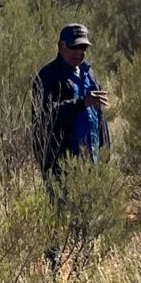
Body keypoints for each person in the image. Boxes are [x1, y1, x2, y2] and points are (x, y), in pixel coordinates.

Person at [31, 22, 107, 177]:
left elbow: (99, 118)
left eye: (83, 47)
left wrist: (105, 152)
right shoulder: (47, 76)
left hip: (93, 163)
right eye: (74, 46)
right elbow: (44, 117)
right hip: (62, 166)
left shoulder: (89, 73)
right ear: (61, 46)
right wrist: (81, 103)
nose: (78, 52)